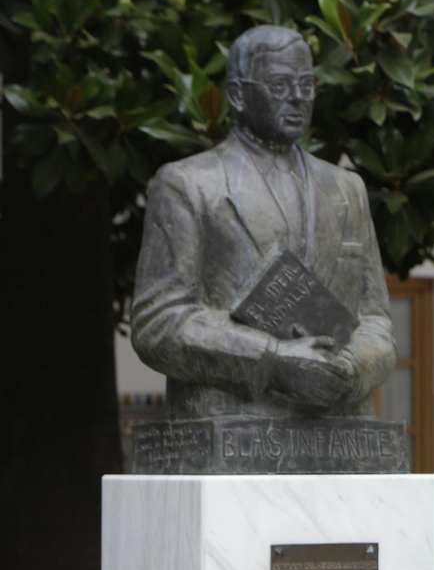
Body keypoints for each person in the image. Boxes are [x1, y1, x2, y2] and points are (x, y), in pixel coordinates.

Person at [131, 25, 395, 419]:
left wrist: (353, 368)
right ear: (238, 95)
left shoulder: (347, 188)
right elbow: (157, 322)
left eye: (307, 84)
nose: (297, 97)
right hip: (234, 422)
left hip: (338, 425)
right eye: (279, 84)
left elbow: (375, 317)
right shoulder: (188, 185)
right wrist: (274, 361)